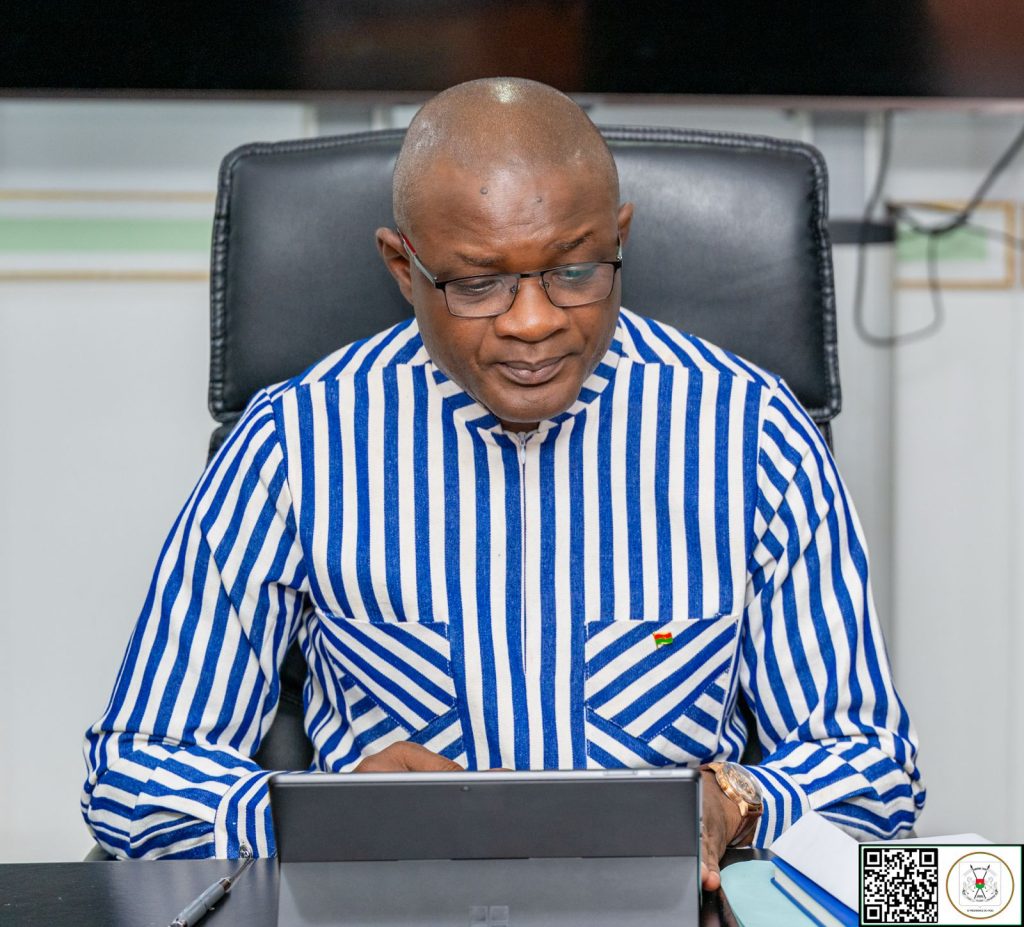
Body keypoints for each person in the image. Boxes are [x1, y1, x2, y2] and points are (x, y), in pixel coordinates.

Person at [82, 78, 924, 885]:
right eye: (479, 282)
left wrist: (737, 801)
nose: (533, 321)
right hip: (392, 906)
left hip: (671, 903)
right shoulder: (296, 443)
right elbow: (134, 769)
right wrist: (324, 818)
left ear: (619, 238)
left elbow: (875, 769)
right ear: (403, 267)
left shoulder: (753, 433)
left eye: (575, 270)